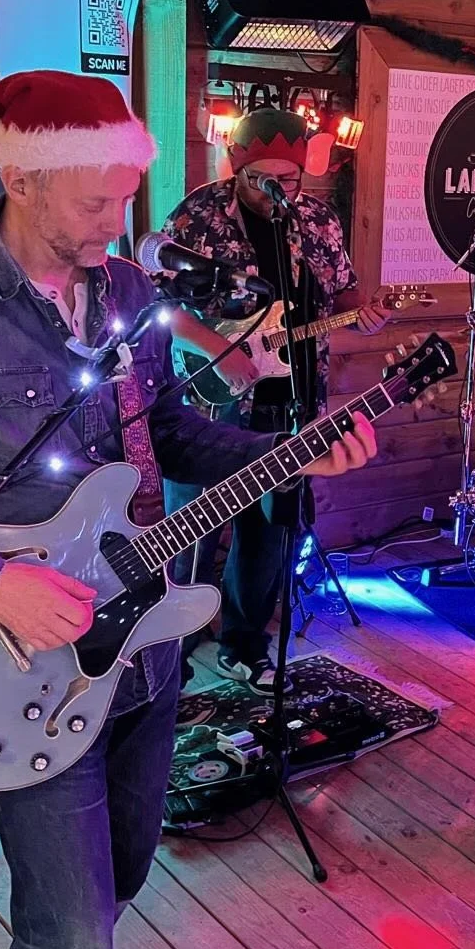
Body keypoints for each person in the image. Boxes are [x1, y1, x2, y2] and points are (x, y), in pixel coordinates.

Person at [0, 70, 376, 949]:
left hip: (146, 644)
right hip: (13, 662)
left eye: (124, 201)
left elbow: (163, 430)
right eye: (95, 204)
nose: (115, 226)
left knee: (125, 873)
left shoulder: (129, 292)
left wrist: (283, 456)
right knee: (73, 930)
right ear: (20, 181)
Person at [160, 108, 392, 693]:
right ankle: (172, 649)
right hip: (208, 393)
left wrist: (363, 315)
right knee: (193, 523)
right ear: (237, 169)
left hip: (290, 391)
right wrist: (220, 347)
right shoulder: (196, 215)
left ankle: (244, 641)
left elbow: (343, 291)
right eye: (259, 179)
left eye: (285, 180)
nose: (274, 192)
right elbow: (158, 309)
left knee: (270, 525)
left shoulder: (314, 219)